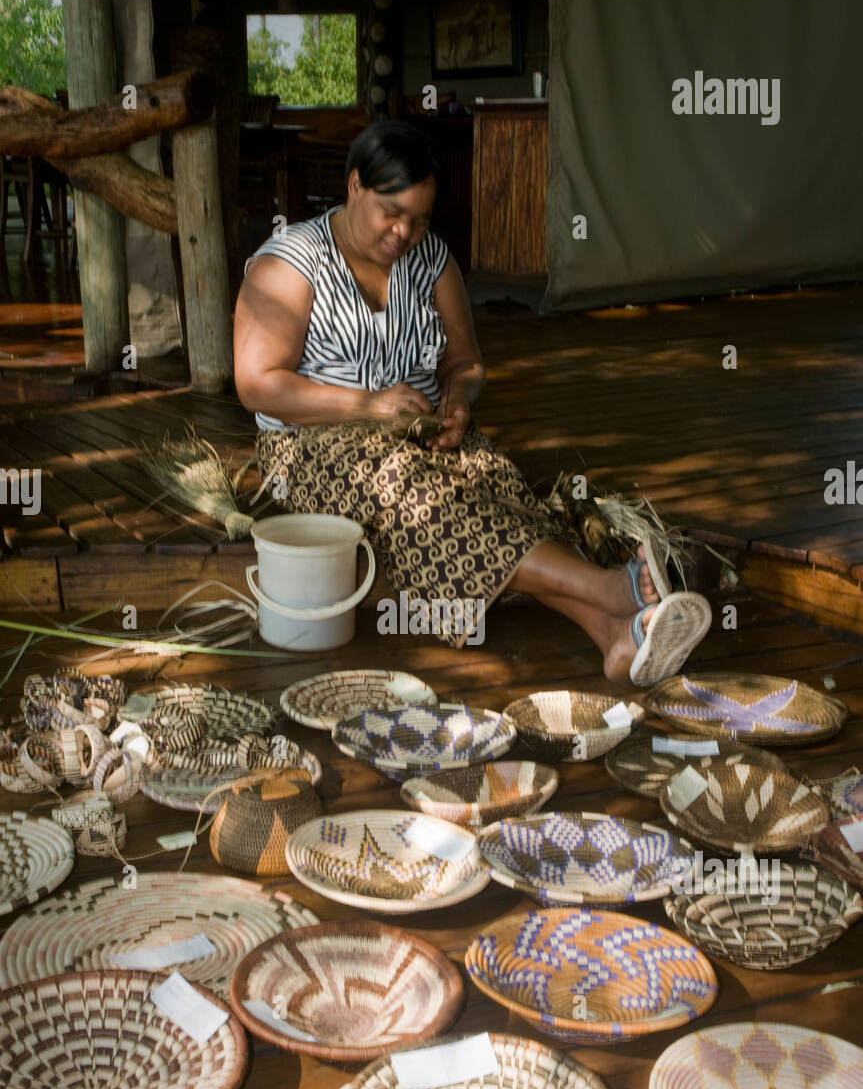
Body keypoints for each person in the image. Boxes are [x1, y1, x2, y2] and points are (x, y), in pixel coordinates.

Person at [233, 120, 711, 684]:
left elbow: (466, 361)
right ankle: (612, 590)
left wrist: (458, 402)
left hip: (421, 429)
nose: (404, 232)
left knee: (496, 482)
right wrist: (369, 406)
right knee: (423, 503)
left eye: (420, 218)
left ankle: (612, 636)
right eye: (392, 211)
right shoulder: (291, 261)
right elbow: (258, 384)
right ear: (356, 185)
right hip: (310, 445)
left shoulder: (432, 261)